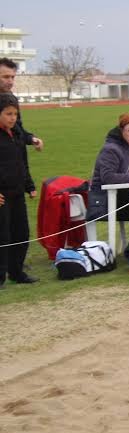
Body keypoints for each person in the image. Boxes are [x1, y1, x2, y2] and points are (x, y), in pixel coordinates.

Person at [0, 58, 43, 283]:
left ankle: (16, 271)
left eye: (12, 77)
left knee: (19, 231)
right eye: (5, 77)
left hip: (15, 181)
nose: (10, 81)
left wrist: (31, 138)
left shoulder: (12, 101)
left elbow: (18, 132)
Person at [86, 113, 129, 232]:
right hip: (104, 201)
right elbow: (107, 177)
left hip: (123, 197)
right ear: (121, 131)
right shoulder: (110, 149)